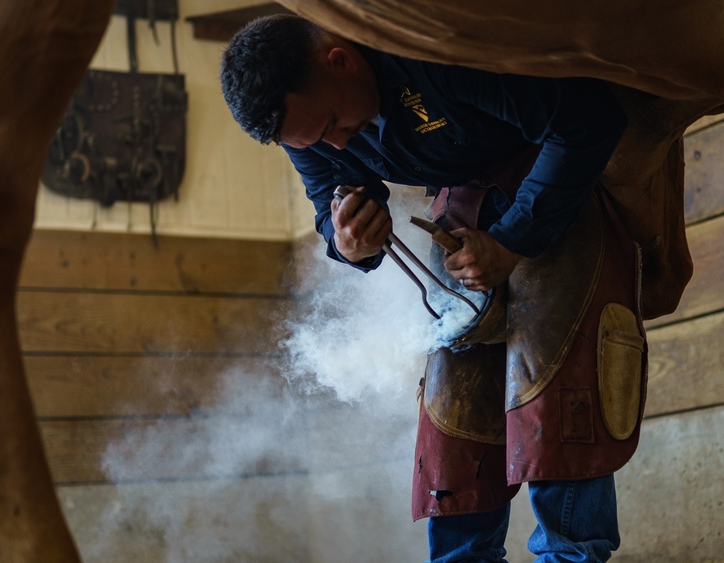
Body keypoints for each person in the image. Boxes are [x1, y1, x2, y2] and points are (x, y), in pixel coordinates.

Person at [221, 14, 646, 563]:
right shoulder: (304, 119)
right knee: (454, 420)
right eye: (315, 138)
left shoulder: (438, 48)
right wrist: (350, 240)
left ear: (340, 59)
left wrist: (514, 237)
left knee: (559, 405)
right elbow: (329, 187)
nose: (336, 143)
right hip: (461, 220)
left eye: (331, 123)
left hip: (554, 195)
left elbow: (587, 120)